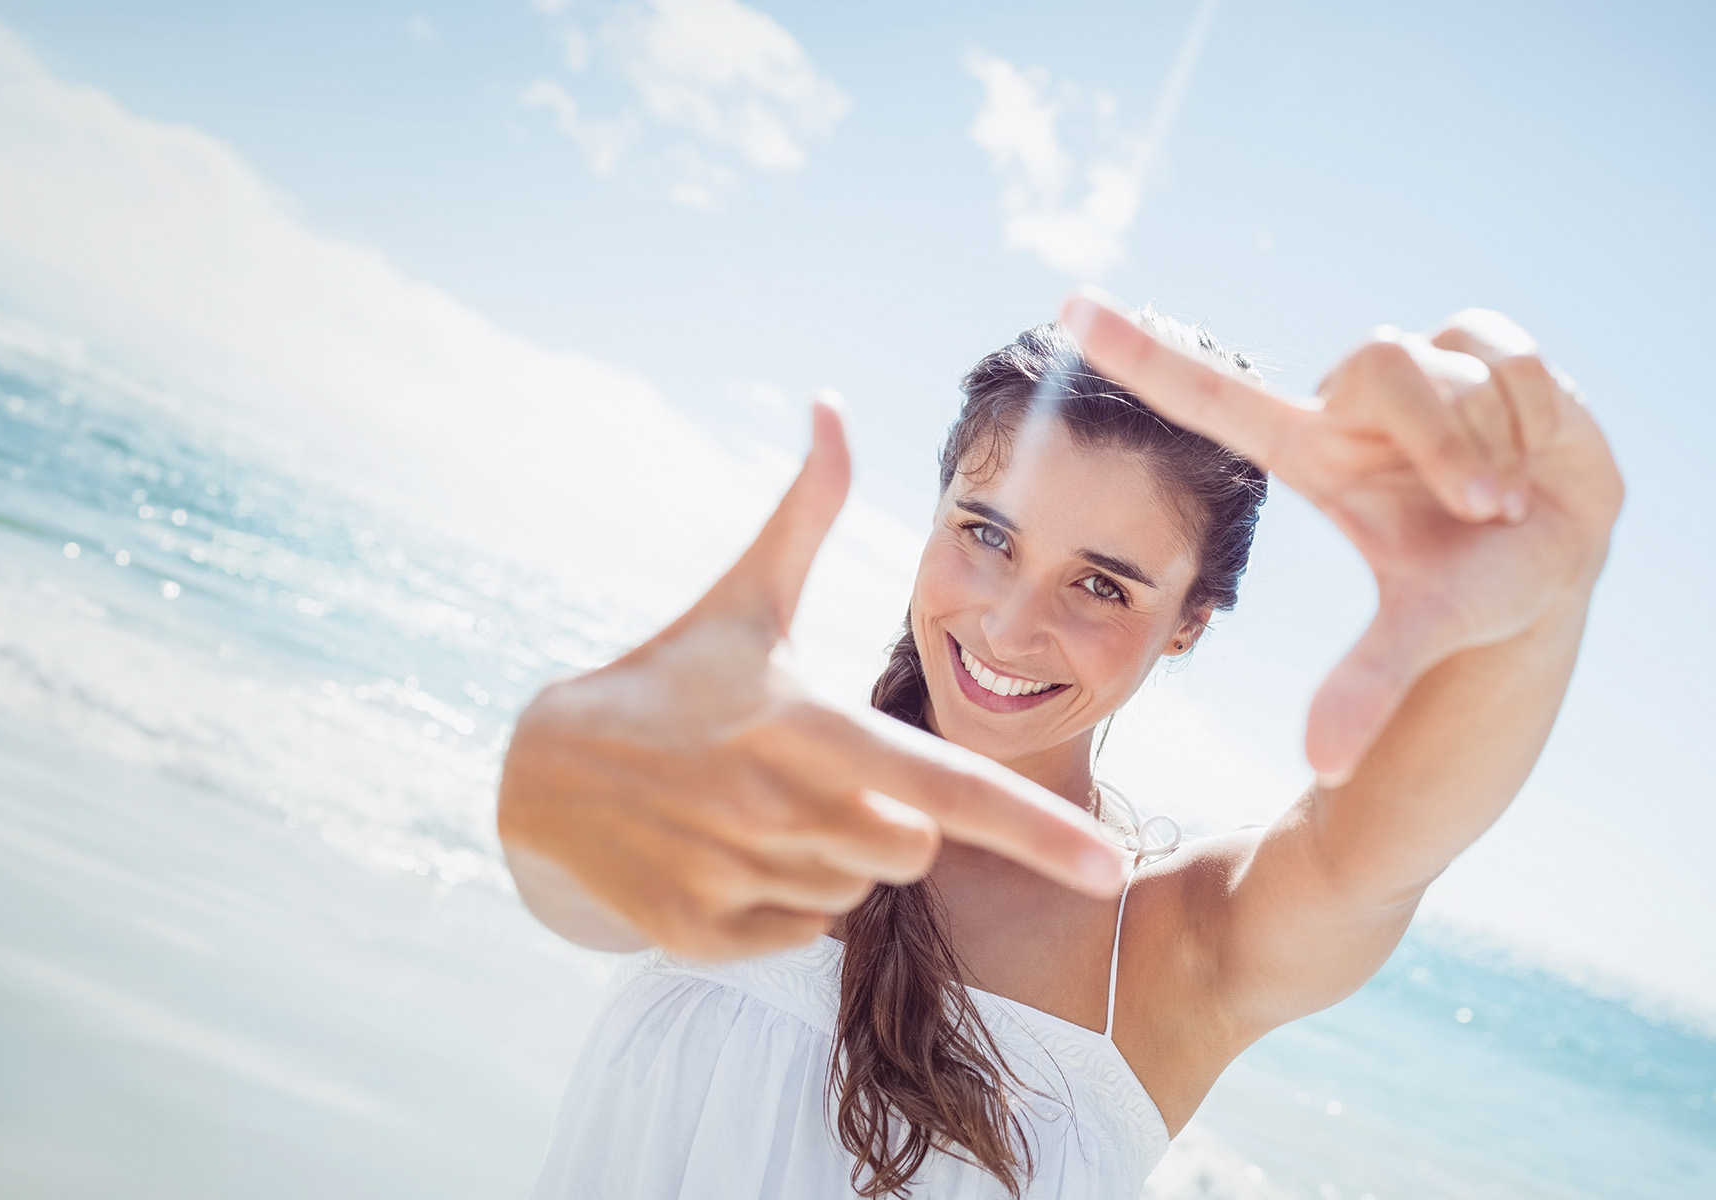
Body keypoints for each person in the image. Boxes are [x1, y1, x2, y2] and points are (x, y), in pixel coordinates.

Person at [497, 291, 1623, 1199]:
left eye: (1100, 583)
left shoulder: (1174, 952)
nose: (1008, 626)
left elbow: (1372, 857)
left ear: (1187, 626)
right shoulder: (753, 788)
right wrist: (545, 784)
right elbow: (571, 885)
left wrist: (1536, 612)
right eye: (986, 534)